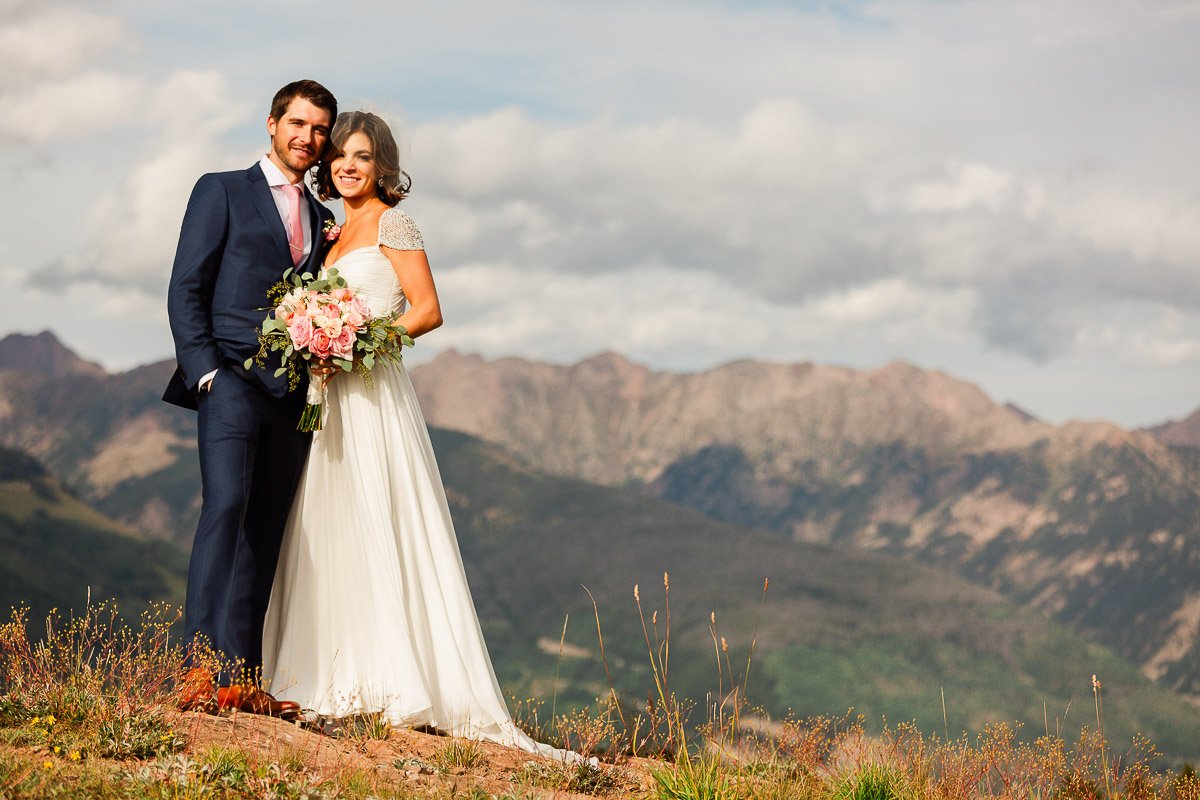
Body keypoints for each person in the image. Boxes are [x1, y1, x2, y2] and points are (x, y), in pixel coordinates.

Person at [260, 111, 560, 756]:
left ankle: (392, 685)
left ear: (382, 165)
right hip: (326, 397)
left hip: (370, 392)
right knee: (326, 527)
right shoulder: (329, 229)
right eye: (339, 154)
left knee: (377, 520)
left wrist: (357, 340)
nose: (347, 165)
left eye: (362, 157)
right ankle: (325, 680)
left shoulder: (392, 223)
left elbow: (428, 310)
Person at [165, 79, 338, 717]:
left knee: (264, 529)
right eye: (298, 124)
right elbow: (186, 285)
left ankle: (241, 678)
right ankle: (197, 670)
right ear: (271, 124)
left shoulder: (324, 221)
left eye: (320, 129)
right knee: (226, 506)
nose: (308, 139)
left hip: (293, 394)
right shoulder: (222, 190)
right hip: (231, 380)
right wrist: (206, 370)